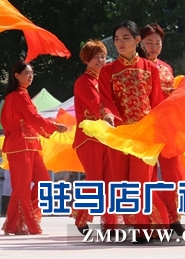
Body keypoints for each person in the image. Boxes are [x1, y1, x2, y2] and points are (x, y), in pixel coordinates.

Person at [99, 21, 169, 241]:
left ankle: (144, 228)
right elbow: (105, 100)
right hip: (119, 134)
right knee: (120, 181)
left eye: (125, 38)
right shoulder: (108, 71)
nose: (120, 42)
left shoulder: (151, 69)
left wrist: (160, 129)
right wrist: (109, 115)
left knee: (141, 182)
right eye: (117, 39)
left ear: (137, 40)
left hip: (144, 135)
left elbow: (156, 102)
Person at [0, 61, 67, 235]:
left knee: (44, 183)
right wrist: (54, 126)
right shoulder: (18, 96)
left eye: (32, 72)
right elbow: (33, 117)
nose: (31, 76)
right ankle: (25, 224)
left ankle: (19, 221)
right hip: (21, 145)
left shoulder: (20, 95)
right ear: (17, 76)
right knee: (21, 187)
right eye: (27, 73)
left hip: (29, 144)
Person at [141, 23, 185, 234]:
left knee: (174, 173)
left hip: (168, 127)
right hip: (146, 127)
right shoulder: (136, 66)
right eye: (149, 42)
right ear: (140, 43)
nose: (153, 46)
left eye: (157, 42)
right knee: (147, 175)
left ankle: (174, 218)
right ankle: (155, 218)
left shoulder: (167, 67)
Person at [72, 40, 116, 233]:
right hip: (88, 138)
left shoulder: (105, 80)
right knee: (96, 179)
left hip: (105, 137)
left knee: (110, 179)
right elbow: (97, 105)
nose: (100, 60)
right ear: (87, 60)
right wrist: (108, 115)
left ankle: (110, 223)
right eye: (96, 56)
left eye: (103, 56)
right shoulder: (84, 82)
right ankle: (81, 218)